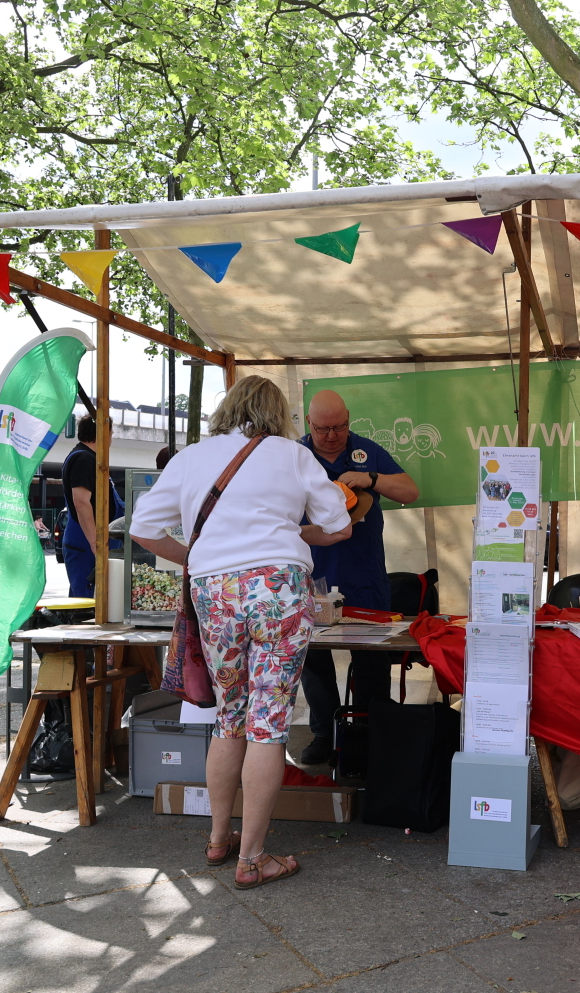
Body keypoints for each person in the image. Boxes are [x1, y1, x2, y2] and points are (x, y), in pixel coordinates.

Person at [129, 375, 353, 889]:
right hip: (278, 588)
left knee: (230, 718)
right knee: (268, 724)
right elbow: (339, 525)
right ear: (281, 414)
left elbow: (141, 528)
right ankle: (252, 859)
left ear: (228, 408)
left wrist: (201, 557)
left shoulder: (189, 458)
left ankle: (216, 839)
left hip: (214, 591)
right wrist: (285, 531)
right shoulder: (291, 455)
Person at [295, 389, 420, 765]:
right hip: (311, 577)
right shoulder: (293, 456)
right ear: (308, 424)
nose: (332, 435)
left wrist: (371, 478)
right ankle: (325, 734)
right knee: (313, 662)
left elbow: (410, 491)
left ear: (349, 419)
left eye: (340, 426)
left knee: (371, 661)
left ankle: (369, 735)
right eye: (323, 429)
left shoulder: (367, 451)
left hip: (363, 575)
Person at [61, 415, 124, 599]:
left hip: (89, 541)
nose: (111, 439)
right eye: (111, 433)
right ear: (103, 434)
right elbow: (81, 502)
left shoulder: (88, 458)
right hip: (86, 542)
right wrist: (94, 542)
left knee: (93, 599)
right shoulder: (83, 459)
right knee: (86, 601)